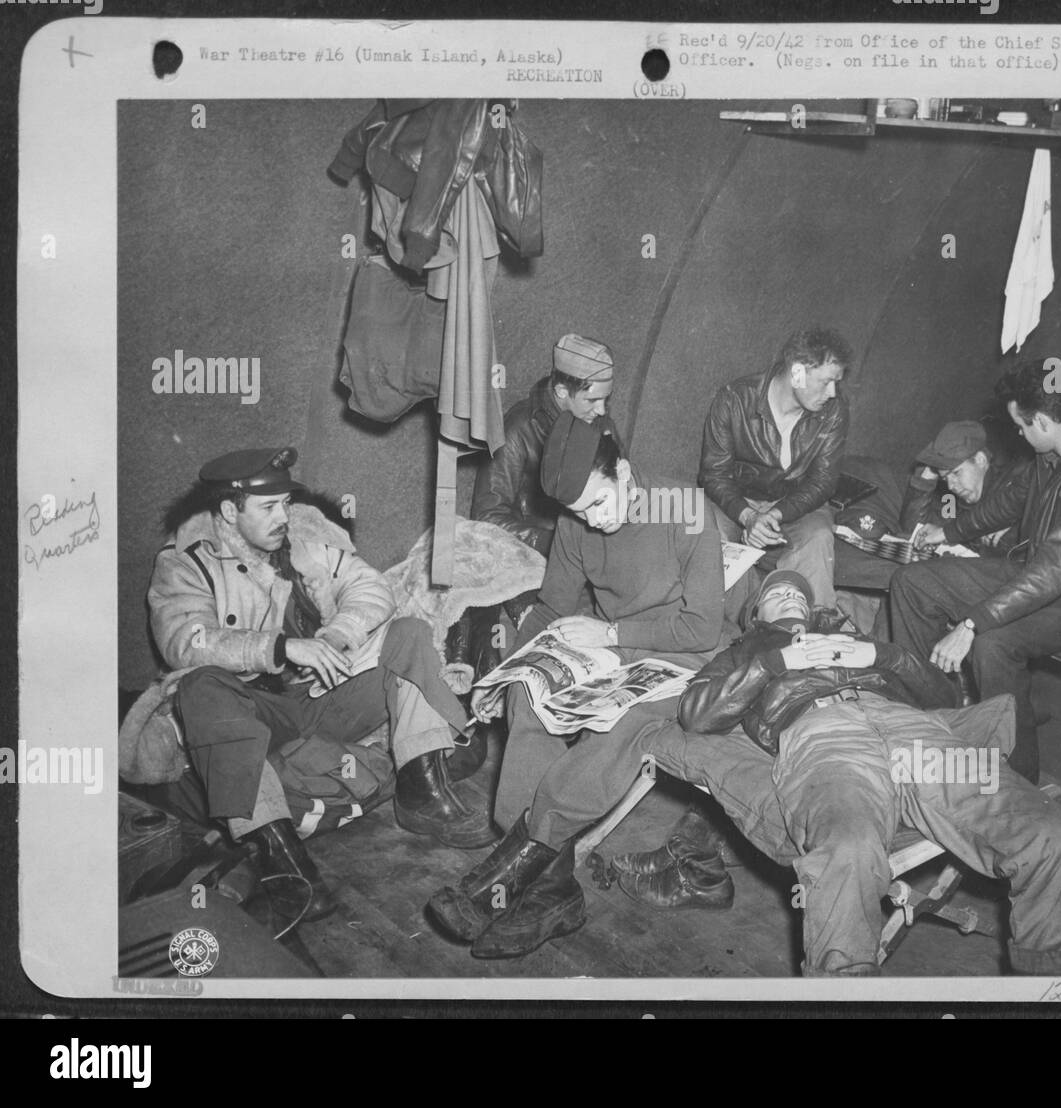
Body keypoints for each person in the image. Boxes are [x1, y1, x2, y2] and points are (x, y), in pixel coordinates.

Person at [639, 569, 1061, 977]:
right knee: (847, 851)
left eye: (800, 594)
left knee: (1056, 836)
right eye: (778, 593)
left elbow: (943, 694)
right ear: (754, 612)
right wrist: (779, 662)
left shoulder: (855, 638)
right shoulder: (744, 651)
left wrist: (880, 656)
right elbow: (695, 714)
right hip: (822, 736)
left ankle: (1054, 988)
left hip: (915, 731)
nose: (792, 597)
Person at [427, 414, 732, 958]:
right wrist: (506, 670)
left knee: (626, 724)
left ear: (624, 471)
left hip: (689, 658)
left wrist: (613, 633)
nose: (593, 519)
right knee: (529, 694)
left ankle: (502, 880)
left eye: (599, 502)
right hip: (613, 650)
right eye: (579, 511)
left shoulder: (685, 512)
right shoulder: (578, 522)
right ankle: (552, 890)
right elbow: (551, 607)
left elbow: (702, 627)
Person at [149, 447, 498, 923]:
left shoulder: (303, 543)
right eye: (268, 507)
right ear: (229, 512)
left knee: (409, 634)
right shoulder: (185, 563)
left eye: (286, 504)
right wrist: (279, 649)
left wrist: (336, 634)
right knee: (199, 688)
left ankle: (422, 791)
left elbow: (374, 590)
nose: (284, 517)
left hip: (319, 698)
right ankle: (288, 868)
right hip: (251, 712)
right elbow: (184, 642)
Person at [888, 362, 1061, 783]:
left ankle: (1017, 778)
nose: (1019, 435)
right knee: (912, 583)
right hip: (1039, 577)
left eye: (1021, 426)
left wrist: (971, 623)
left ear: (1042, 420)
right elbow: (1007, 504)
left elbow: (1052, 572)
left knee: (993, 643)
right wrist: (949, 529)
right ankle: (933, 721)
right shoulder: (1050, 453)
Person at [446, 334, 618, 686]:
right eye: (592, 399)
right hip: (535, 552)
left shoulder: (600, 424)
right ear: (561, 393)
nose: (601, 410)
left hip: (589, 546)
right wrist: (556, 540)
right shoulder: (517, 428)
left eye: (606, 400)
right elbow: (487, 516)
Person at [699, 327, 852, 609]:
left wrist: (774, 514)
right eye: (826, 382)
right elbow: (714, 475)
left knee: (818, 537)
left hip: (795, 504)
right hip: (736, 501)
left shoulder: (834, 411)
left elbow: (822, 483)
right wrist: (747, 516)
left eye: (837, 383)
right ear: (796, 373)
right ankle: (719, 623)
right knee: (706, 532)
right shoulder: (734, 399)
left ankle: (810, 630)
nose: (832, 393)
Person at [900, 418, 1026, 552]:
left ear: (980, 460)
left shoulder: (1014, 487)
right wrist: (926, 478)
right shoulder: (955, 502)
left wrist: (1019, 523)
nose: (950, 485)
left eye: (956, 473)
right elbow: (914, 531)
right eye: (944, 478)